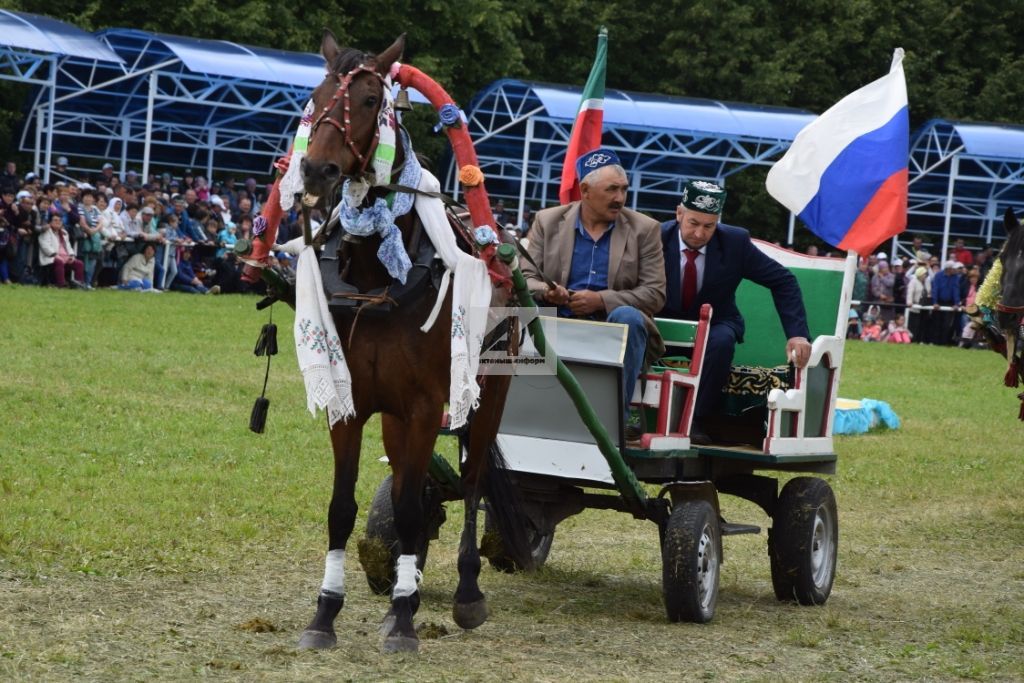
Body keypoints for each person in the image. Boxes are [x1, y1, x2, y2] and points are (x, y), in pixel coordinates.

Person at [522, 148, 666, 436]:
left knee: (628, 317)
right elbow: (525, 278)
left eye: (624, 189)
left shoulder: (645, 229)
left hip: (612, 325)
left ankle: (612, 421)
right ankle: (491, 406)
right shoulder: (547, 220)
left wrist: (601, 300)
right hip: (555, 320)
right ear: (585, 190)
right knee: (504, 314)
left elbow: (655, 293)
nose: (620, 198)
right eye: (611, 190)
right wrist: (547, 292)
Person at [658, 179, 811, 444]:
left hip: (715, 326)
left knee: (722, 340)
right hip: (660, 324)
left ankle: (695, 420)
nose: (699, 234)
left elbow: (783, 280)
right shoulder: (653, 237)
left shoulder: (734, 242)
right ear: (679, 214)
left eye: (709, 226)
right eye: (693, 223)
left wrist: (797, 334)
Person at [38, 212, 85, 287]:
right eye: (55, 220)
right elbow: (45, 246)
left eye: (60, 220)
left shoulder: (64, 233)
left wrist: (71, 256)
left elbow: (68, 246)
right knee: (59, 262)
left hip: (65, 257)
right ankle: (61, 284)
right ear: (50, 222)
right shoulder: (46, 231)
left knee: (79, 264)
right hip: (50, 257)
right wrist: (55, 255)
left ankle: (79, 284)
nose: (58, 222)